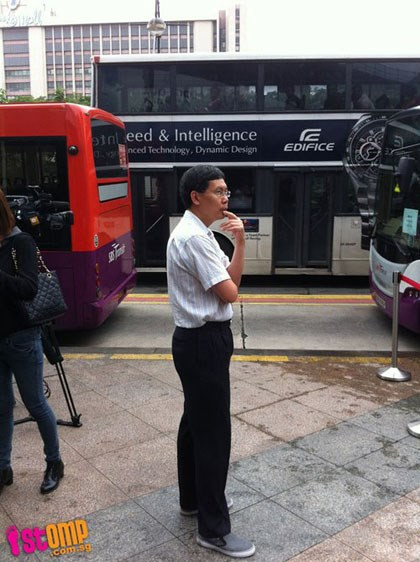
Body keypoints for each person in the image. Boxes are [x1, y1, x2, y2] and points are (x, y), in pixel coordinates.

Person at [166, 165, 255, 559]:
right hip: (204, 342)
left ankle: (193, 500)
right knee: (213, 434)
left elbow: (231, 279)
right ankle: (214, 530)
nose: (226, 198)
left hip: (196, 342)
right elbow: (230, 293)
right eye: (219, 191)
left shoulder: (200, 234)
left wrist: (239, 243)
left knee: (194, 424)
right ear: (195, 196)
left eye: (227, 191)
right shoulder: (194, 239)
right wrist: (235, 249)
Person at [0, 189, 64, 495]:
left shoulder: (20, 242)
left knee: (35, 403)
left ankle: (54, 462)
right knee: (2, 407)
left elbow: (28, 288)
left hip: (22, 337)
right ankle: (3, 468)